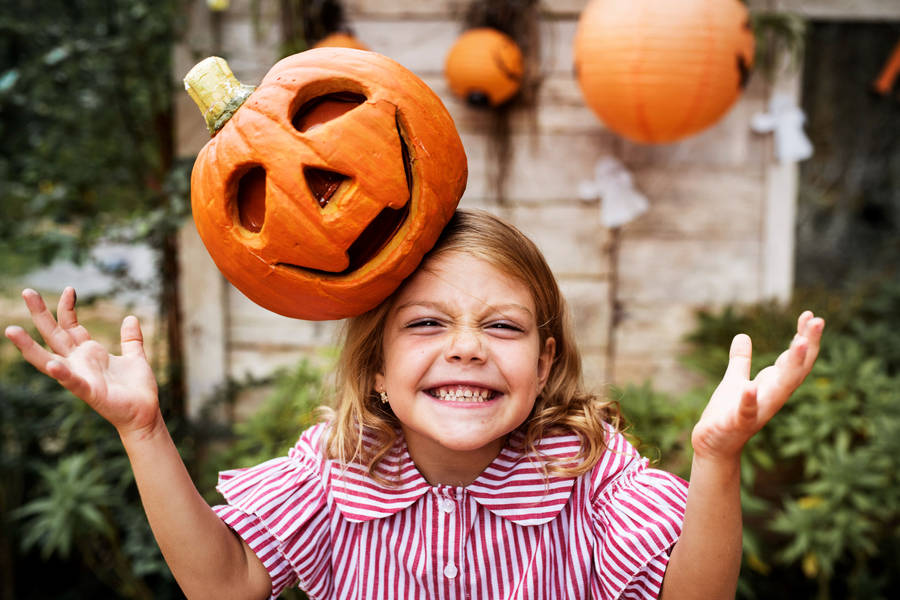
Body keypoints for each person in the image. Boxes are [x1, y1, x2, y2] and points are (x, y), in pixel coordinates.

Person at [4, 209, 824, 600]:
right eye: (428, 324)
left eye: (500, 326)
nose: (466, 346)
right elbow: (223, 587)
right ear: (377, 373)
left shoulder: (587, 470)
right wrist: (143, 429)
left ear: (543, 364)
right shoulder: (335, 467)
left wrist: (717, 460)